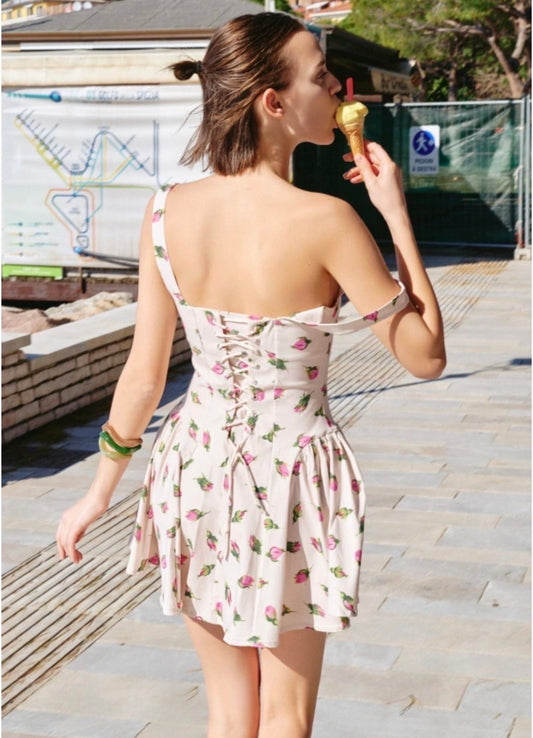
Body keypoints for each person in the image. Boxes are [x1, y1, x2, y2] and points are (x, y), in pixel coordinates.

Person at [56, 12, 446, 738]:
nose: (337, 89)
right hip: (292, 476)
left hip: (194, 466)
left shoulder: (165, 212)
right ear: (273, 102)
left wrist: (97, 494)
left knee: (229, 714)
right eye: (320, 77)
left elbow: (144, 375)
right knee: (285, 717)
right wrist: (395, 216)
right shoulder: (328, 220)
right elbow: (425, 356)